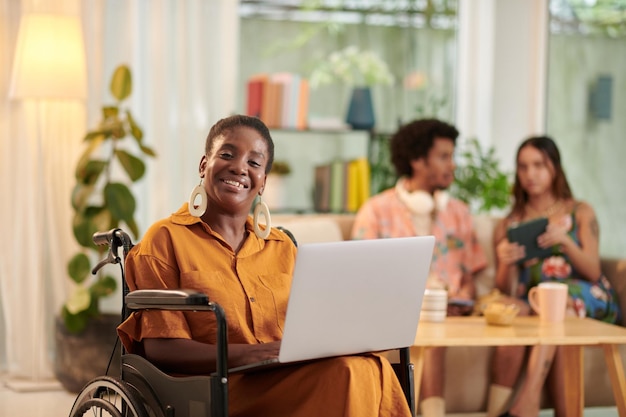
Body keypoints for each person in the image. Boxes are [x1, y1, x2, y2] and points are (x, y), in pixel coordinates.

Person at [116, 114, 412, 417]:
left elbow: (312, 329)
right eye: (227, 154)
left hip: (283, 376)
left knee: (371, 365)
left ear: (263, 183)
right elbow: (162, 350)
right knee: (348, 373)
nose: (240, 167)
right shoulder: (165, 239)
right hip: (214, 390)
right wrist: (256, 352)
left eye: (254, 162)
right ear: (204, 165)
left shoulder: (282, 246)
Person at [351, 118, 487, 417]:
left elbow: (470, 277)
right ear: (416, 160)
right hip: (399, 313)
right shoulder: (376, 211)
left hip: (450, 313)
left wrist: (462, 296)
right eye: (443, 156)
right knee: (424, 335)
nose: (452, 165)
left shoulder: (459, 213)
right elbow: (361, 279)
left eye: (452, 156)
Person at [486, 136, 621, 417]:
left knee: (559, 309)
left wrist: (565, 242)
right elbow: (505, 290)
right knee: (524, 311)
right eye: (523, 167)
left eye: (538, 165)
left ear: (555, 168)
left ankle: (528, 401)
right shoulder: (510, 223)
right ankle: (507, 409)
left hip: (586, 296)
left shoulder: (580, 211)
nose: (530, 174)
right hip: (538, 301)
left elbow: (593, 271)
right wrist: (505, 261)